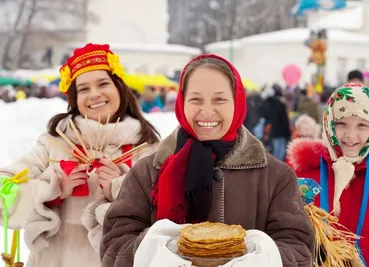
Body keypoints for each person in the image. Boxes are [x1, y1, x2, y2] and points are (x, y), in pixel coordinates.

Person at [100, 54, 314, 267]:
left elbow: (299, 249)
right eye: (196, 99)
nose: (207, 111)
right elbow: (114, 248)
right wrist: (164, 251)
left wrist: (256, 257)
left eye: (220, 99)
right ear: (182, 102)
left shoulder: (276, 176)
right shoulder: (147, 172)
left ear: (237, 102)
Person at [0, 43, 159, 267]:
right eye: (83, 89)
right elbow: (3, 193)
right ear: (74, 98)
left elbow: (162, 218)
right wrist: (52, 189)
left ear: (119, 88)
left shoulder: (147, 149)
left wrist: (120, 189)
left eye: (103, 83)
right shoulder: (54, 143)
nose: (94, 94)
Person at [287, 83, 369, 267]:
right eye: (341, 123)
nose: (350, 135)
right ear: (329, 122)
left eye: (362, 125)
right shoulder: (301, 172)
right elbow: (284, 236)